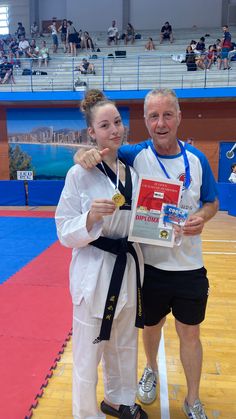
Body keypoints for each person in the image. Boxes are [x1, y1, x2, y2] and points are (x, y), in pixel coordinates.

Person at [74, 88, 219, 419]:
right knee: (150, 328)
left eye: (168, 114)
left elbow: (212, 202)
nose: (161, 123)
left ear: (179, 117)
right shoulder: (134, 155)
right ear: (146, 121)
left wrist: (203, 217)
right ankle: (150, 369)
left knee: (190, 335)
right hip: (148, 267)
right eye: (153, 116)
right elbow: (100, 151)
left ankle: (192, 399)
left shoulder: (196, 160)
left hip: (189, 266)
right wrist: (82, 154)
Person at [55, 89, 148, 419]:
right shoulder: (79, 173)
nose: (115, 130)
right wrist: (90, 218)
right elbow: (64, 230)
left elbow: (141, 223)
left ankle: (118, 399)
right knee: (87, 353)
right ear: (92, 132)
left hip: (127, 271)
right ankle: (86, 413)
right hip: (93, 273)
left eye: (119, 122)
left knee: (124, 344)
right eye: (105, 125)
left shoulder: (132, 173)